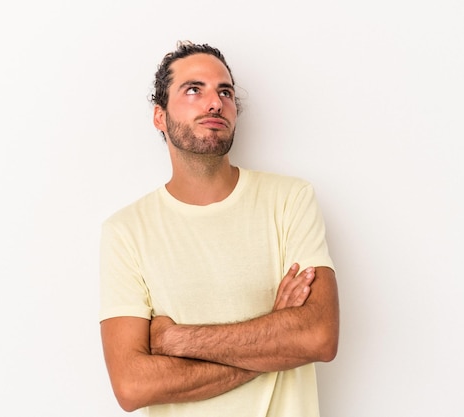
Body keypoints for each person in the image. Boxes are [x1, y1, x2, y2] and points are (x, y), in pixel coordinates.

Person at [99, 41, 340, 417]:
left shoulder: (290, 199)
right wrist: (274, 334)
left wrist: (175, 340)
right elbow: (132, 386)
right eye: (194, 89)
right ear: (160, 116)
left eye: (224, 91)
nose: (215, 103)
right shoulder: (126, 231)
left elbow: (318, 337)